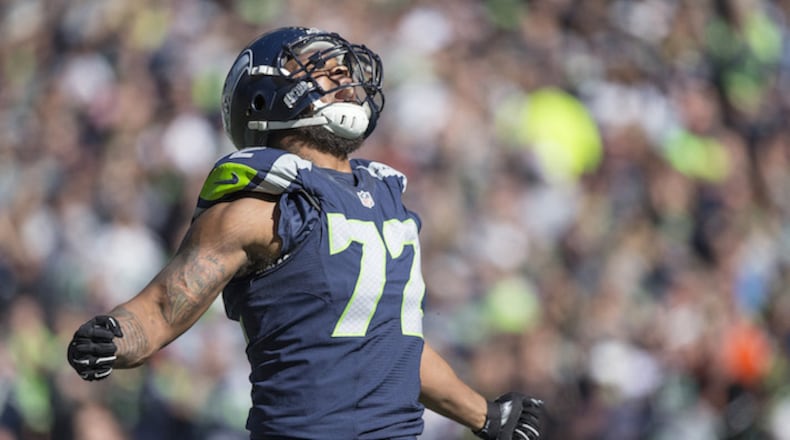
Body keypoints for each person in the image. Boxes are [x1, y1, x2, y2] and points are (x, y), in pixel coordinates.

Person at [66, 26, 543, 440]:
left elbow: (393, 347)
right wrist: (114, 336)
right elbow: (162, 309)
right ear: (263, 99)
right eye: (322, 68)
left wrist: (485, 414)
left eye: (342, 67)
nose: (343, 76)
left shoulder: (383, 197)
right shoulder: (260, 207)